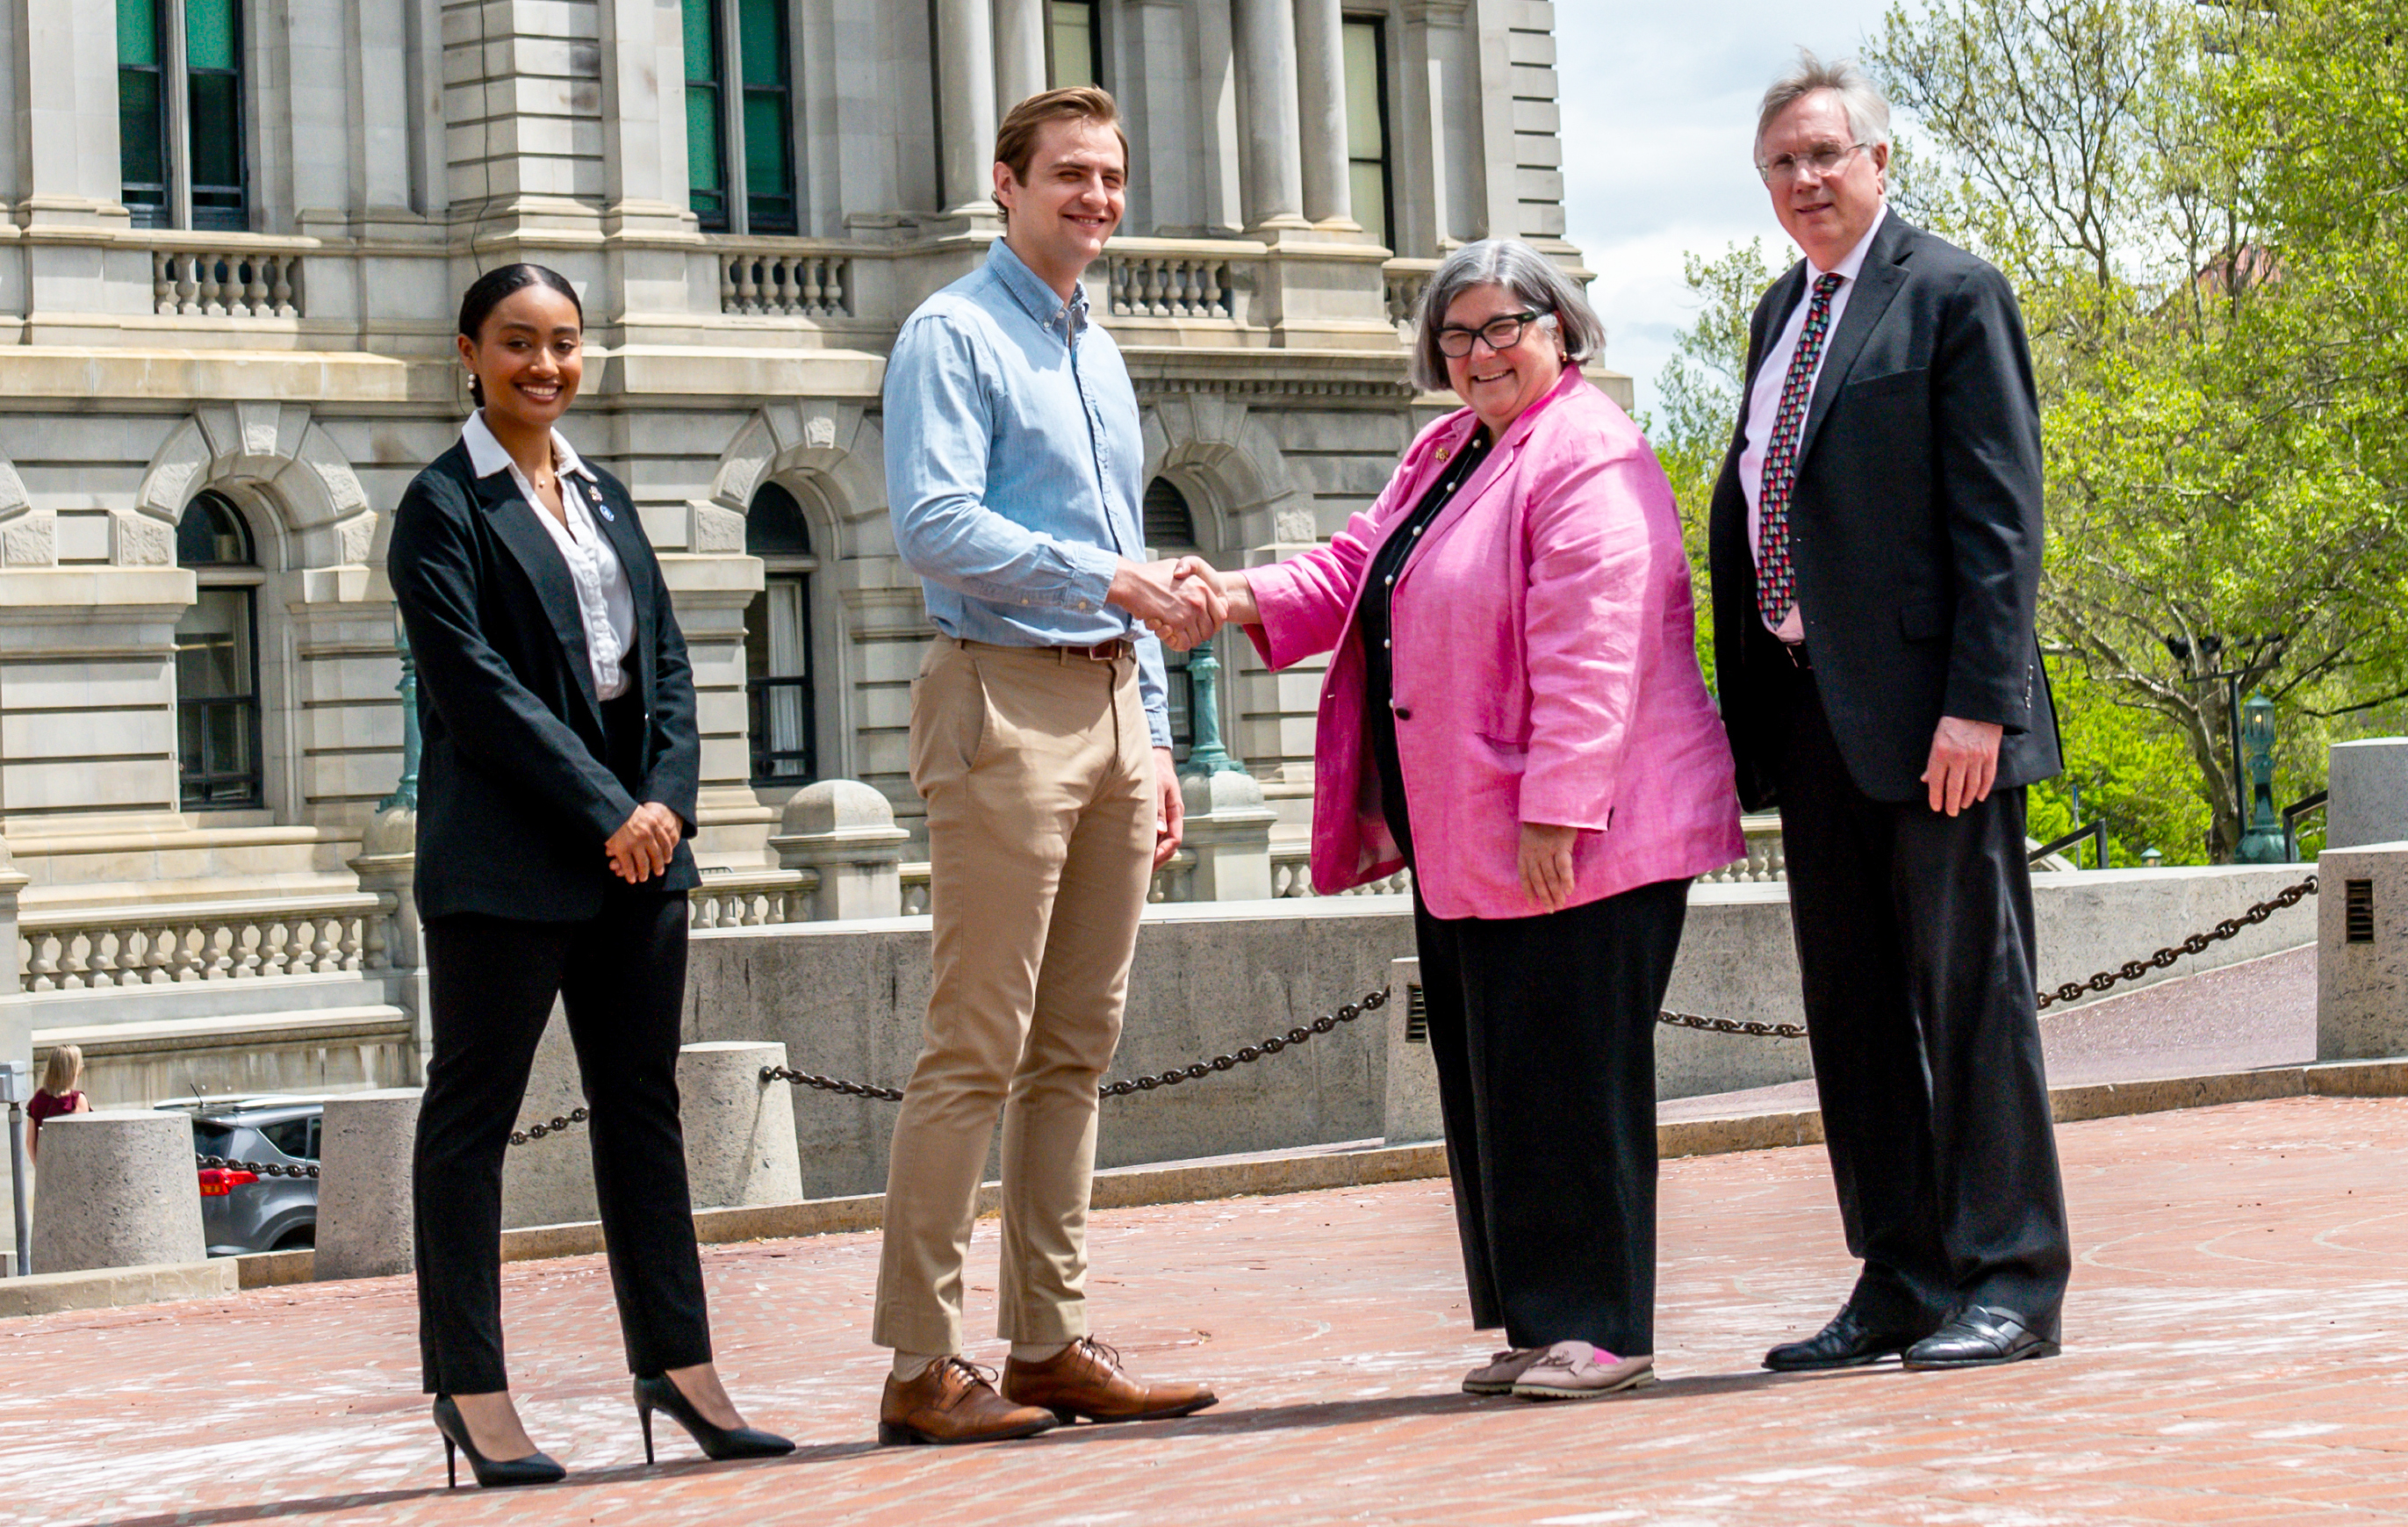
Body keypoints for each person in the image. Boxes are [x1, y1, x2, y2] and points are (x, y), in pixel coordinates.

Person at [1177, 239, 1744, 1401]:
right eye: (1455, 334)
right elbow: (1354, 568)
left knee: (1576, 1077)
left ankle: (1604, 1325)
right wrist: (1230, 596)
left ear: (1559, 330)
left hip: (1584, 834)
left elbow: (1594, 644)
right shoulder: (1446, 449)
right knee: (1502, 1081)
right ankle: (1544, 1320)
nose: (1479, 353)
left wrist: (1557, 811)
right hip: (1469, 830)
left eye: (1502, 327)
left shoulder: (1587, 451)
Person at [387, 263, 793, 1487]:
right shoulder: (440, 505)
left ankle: (678, 1365)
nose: (545, 365)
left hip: (640, 854)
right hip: (507, 857)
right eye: (518, 342)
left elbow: (663, 660)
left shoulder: (605, 492)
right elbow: (474, 691)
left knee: (642, 1110)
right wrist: (607, 808)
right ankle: (471, 1387)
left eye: (564, 342)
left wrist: (665, 801)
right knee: (472, 1122)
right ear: (468, 352)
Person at [1706, 53, 2072, 1372]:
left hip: (1935, 724)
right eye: (1780, 163)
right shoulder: (1777, 312)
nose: (1803, 178)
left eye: (1824, 153)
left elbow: (1999, 518)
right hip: (1812, 717)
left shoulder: (1953, 293)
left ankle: (2011, 1277)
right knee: (1852, 1008)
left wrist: (1978, 706)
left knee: (1969, 1001)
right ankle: (1902, 1274)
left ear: (1877, 161)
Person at [873, 86, 1222, 1445]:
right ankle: (919, 1363)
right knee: (974, 1041)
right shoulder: (950, 333)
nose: (1096, 197)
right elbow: (933, 522)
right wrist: (1107, 580)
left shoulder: (1099, 351)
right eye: (1069, 173)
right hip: (997, 700)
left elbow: (1116, 542)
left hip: (1110, 708)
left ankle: (1047, 1339)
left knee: (1077, 1042)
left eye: (1111, 177)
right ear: (1005, 184)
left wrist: (1155, 731)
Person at [25, 1044, 91, 1165]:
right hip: (72, 1168)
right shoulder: (77, 1100)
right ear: (74, 1071)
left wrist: (40, 1169)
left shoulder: (38, 1098)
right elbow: (84, 1140)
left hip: (47, 1167)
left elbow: (30, 1142)